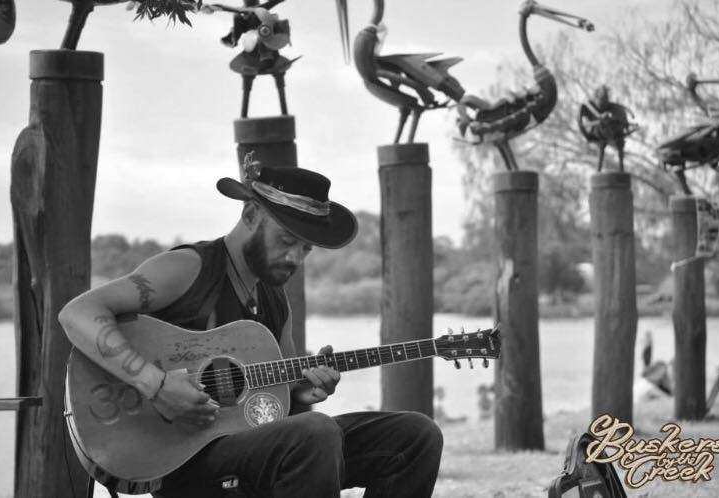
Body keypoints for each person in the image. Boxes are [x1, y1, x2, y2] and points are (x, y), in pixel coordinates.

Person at [58, 163, 443, 497]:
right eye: (287, 240)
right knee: (315, 434)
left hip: (254, 452)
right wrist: (156, 385)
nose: (295, 257)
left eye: (306, 249)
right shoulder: (191, 269)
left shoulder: (275, 300)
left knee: (415, 435)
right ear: (250, 214)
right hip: (185, 462)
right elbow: (78, 313)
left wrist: (303, 391)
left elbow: (279, 414)